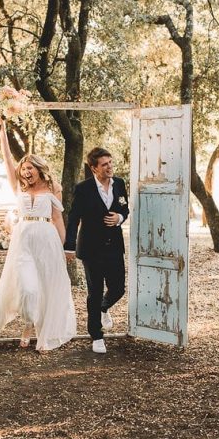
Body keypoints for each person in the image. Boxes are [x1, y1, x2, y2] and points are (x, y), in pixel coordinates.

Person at [0, 117, 76, 351]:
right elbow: (7, 158)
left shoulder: (53, 188)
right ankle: (28, 323)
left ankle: (40, 327)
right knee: (28, 287)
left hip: (47, 239)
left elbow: (57, 218)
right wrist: (2, 131)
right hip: (23, 240)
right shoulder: (19, 188)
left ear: (38, 168)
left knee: (46, 284)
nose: (26, 172)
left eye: (29, 168)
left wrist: (66, 246)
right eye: (23, 169)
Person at [64, 146, 131, 354]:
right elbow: (74, 218)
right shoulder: (83, 189)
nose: (110, 167)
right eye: (104, 164)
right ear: (94, 168)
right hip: (91, 249)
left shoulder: (119, 184)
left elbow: (124, 208)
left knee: (118, 288)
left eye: (110, 163)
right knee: (94, 292)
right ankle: (96, 335)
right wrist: (69, 246)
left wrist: (119, 218)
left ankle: (103, 308)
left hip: (114, 247)